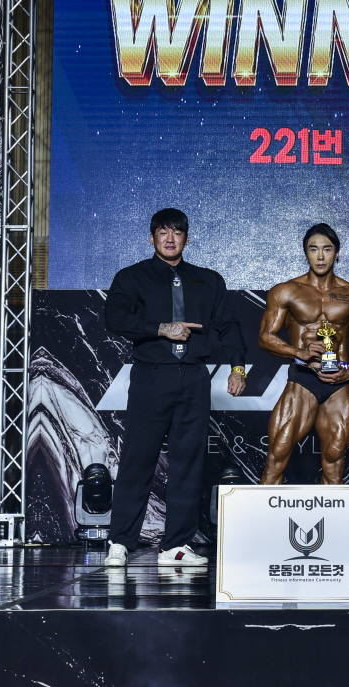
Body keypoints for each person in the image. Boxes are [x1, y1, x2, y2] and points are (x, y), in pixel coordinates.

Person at [102, 209, 246, 568]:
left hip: (194, 376)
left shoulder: (208, 280)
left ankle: (176, 546)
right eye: (163, 232)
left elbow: (228, 325)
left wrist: (237, 368)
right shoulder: (132, 276)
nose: (170, 239)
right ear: (151, 238)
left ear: (187, 238)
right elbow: (114, 318)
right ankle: (120, 542)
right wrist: (161, 328)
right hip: (152, 375)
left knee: (188, 462)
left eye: (177, 233)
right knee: (138, 459)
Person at [230, 223, 349, 485]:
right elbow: (265, 336)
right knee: (278, 454)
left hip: (339, 382)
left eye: (327, 249)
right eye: (313, 249)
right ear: (306, 253)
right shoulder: (286, 291)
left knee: (335, 460)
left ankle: (330, 513)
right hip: (302, 378)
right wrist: (300, 352)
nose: (320, 256)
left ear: (337, 253)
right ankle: (263, 512)